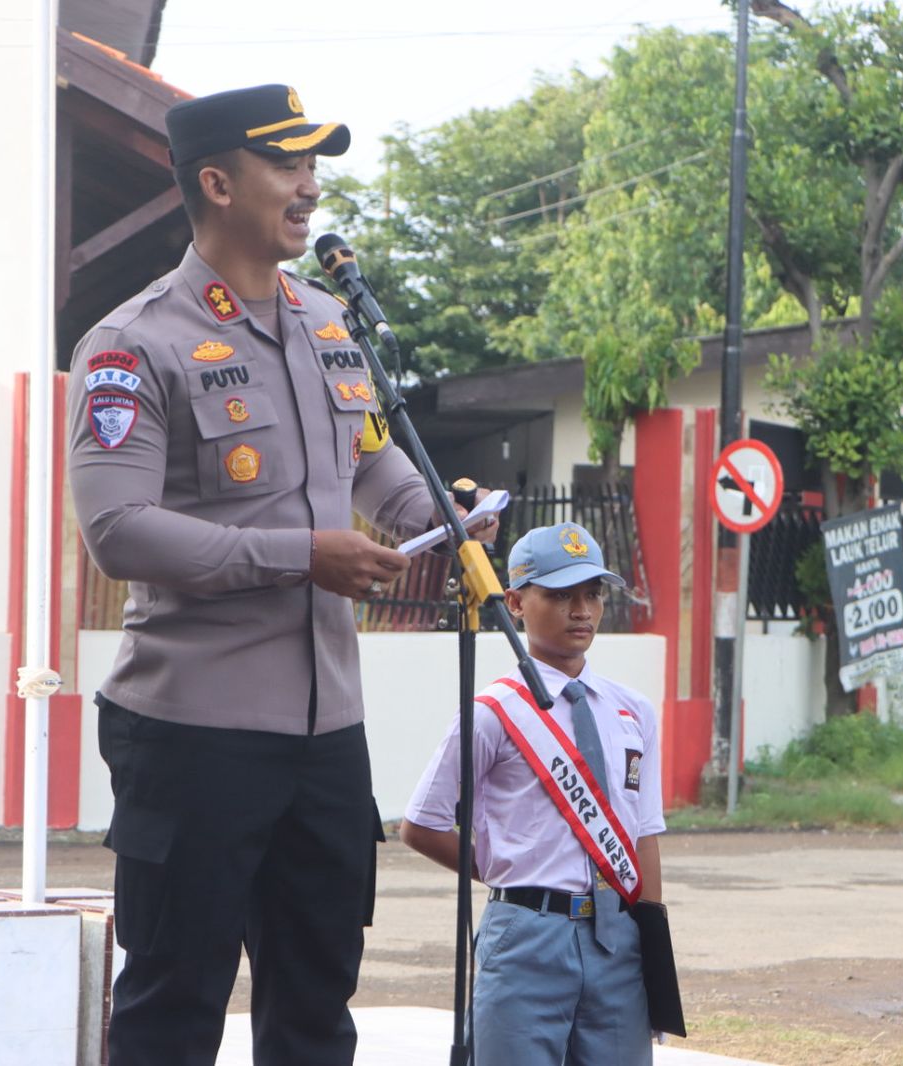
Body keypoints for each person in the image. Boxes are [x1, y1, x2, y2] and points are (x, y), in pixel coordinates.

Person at [66, 84, 493, 1066]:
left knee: (315, 1006)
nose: (311, 187)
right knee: (174, 1006)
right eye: (287, 165)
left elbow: (372, 463)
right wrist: (304, 554)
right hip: (192, 732)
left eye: (314, 166)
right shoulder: (135, 342)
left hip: (326, 735)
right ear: (218, 184)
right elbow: (118, 531)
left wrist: (439, 516)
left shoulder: (327, 322)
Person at [400, 522, 667, 1066]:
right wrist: (507, 869)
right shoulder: (492, 712)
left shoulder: (632, 710)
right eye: (562, 595)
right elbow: (421, 824)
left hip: (617, 937)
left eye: (593, 593)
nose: (582, 611)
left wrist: (653, 949)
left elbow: (644, 833)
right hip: (526, 934)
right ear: (517, 602)